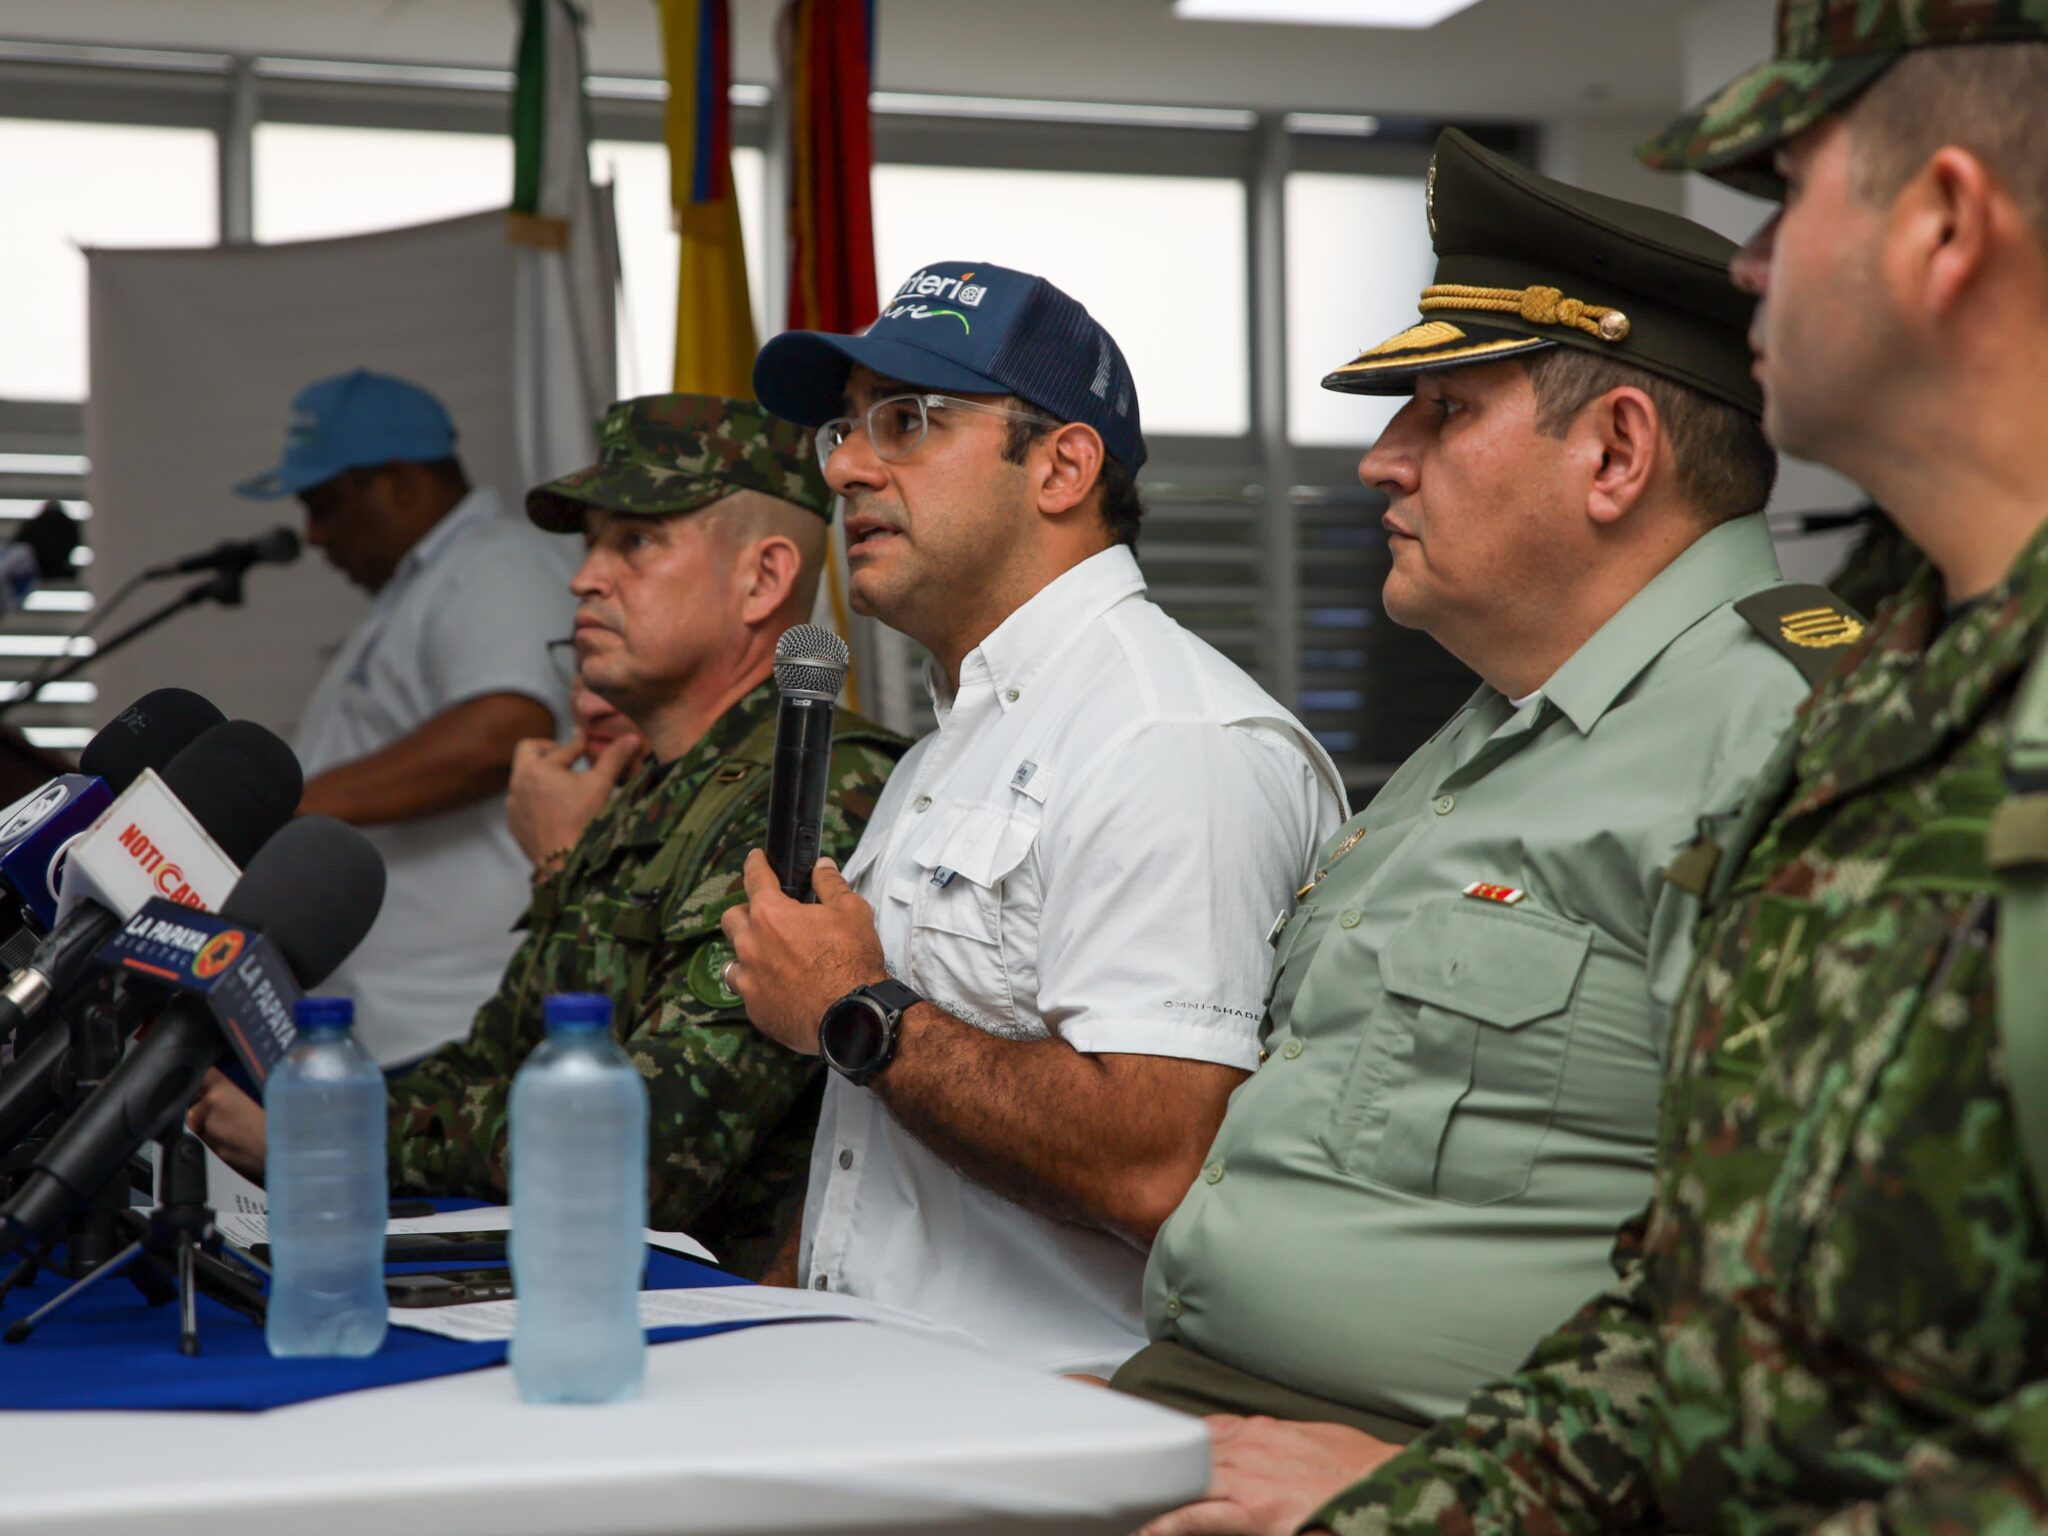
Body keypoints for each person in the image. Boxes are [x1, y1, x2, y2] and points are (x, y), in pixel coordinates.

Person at [1292, 6, 2048, 1534]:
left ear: (1948, 223)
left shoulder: (1798, 695)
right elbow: (1702, 1301)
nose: (1746, 265)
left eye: (1787, 195)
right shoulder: (1892, 695)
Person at [1124, 129, 1854, 1535]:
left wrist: (1427, 1495)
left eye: (1442, 411)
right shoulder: (1490, 731)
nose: (1379, 466)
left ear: (1616, 453)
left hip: (1443, 1474)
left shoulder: (1788, 736)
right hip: (1202, 1408)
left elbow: (1815, 1297)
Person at [719, 260, 1347, 1375]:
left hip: (1062, 1437)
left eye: (905, 422)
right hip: (876, 1391)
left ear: (1061, 465)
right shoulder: (951, 746)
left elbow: (1156, 1165)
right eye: (844, 431)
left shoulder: (1164, 738)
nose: (849, 467)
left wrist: (854, 1010)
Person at [191, 394, 907, 1279]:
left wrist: (320, 1136)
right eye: (591, 543)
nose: (584, 578)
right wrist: (306, 1101)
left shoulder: (811, 793)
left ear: (762, 581)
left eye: (634, 543)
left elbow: (638, 1147)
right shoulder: (650, 791)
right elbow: (500, 1058)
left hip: (715, 1332)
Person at [235, 369, 574, 1065]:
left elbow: (504, 730)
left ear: (397, 481)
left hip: (452, 1026)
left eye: (324, 504)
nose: (315, 535)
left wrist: (281, 812)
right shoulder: (421, 588)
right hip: (396, 1027)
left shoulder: (495, 564)